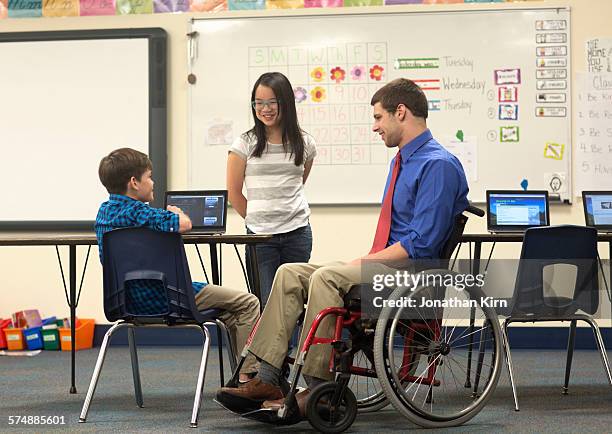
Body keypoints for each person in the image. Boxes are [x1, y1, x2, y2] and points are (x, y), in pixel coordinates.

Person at [216, 78, 469, 414]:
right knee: (289, 273)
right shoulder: (403, 160)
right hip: (386, 267)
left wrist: (366, 261)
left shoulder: (437, 165)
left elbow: (420, 245)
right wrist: (366, 261)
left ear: (401, 112)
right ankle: (268, 375)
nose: (375, 126)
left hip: (410, 276)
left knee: (326, 278)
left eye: (379, 118)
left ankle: (317, 385)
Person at [95, 147, 260, 383]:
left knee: (229, 312)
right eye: (149, 177)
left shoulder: (102, 214)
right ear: (134, 182)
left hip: (126, 302)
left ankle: (242, 377)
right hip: (169, 298)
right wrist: (176, 211)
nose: (153, 182)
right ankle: (247, 378)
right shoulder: (144, 213)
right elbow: (184, 224)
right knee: (247, 303)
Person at [227, 72, 317, 305]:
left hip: (297, 233)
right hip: (260, 237)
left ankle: (293, 344)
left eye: (271, 102)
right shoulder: (244, 143)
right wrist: (259, 217)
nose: (264, 109)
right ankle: (271, 345)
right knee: (267, 305)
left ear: (285, 102)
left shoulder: (305, 143)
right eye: (258, 103)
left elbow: (298, 183)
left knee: (294, 304)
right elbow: (234, 193)